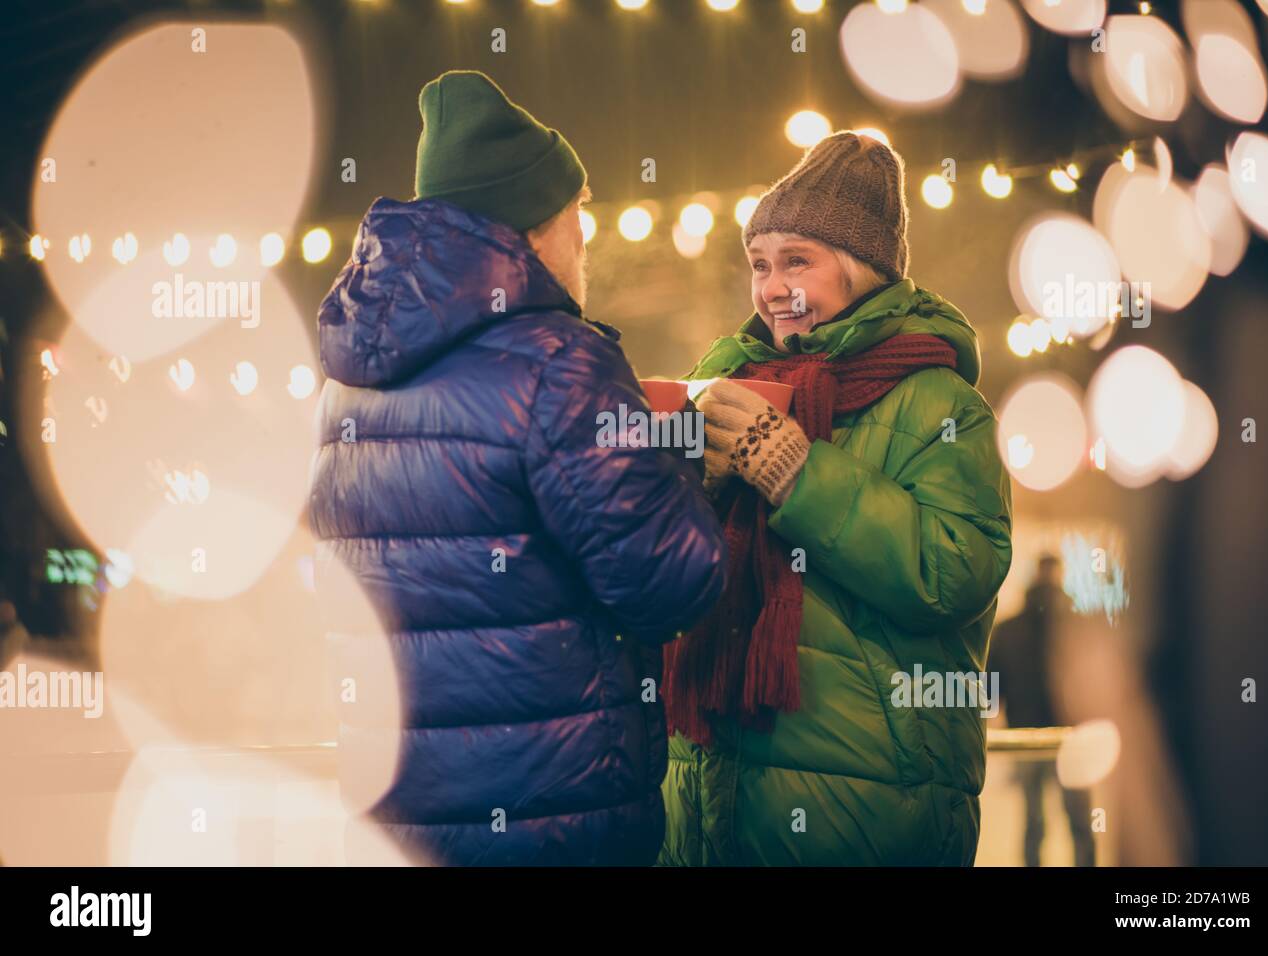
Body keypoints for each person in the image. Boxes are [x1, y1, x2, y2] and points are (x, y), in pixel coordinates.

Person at [307, 70, 726, 866]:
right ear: (534, 227)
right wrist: (679, 456)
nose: (585, 238)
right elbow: (672, 583)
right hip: (556, 815)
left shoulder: (343, 383)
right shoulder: (560, 364)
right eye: (580, 213)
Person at [659, 131, 1013, 865]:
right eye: (759, 264)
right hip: (710, 783)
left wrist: (796, 473)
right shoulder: (728, 381)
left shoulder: (939, 402)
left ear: (862, 270)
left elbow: (955, 573)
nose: (771, 286)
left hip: (868, 801)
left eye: (798, 261)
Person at [987, 554, 1096, 867]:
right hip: (1072, 736)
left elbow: (992, 683)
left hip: (1025, 738)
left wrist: (993, 716)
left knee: (1033, 823)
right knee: (1079, 823)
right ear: (1059, 577)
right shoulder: (1077, 626)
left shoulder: (1009, 628)